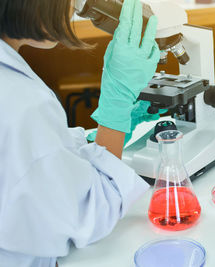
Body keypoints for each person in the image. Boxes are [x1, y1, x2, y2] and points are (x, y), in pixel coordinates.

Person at [0, 0, 161, 266]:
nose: (75, 7)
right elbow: (90, 214)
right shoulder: (23, 103)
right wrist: (115, 113)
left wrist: (101, 134)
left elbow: (35, 160)